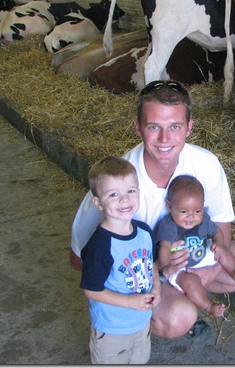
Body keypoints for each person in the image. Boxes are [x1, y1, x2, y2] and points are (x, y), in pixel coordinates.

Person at [70, 80, 235, 340]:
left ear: (189, 128)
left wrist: (207, 273)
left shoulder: (206, 164)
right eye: (154, 127)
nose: (164, 139)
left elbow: (221, 228)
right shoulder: (118, 183)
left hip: (195, 252)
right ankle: (140, 322)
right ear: (138, 128)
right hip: (145, 270)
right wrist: (152, 277)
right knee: (179, 317)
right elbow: (78, 259)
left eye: (174, 126)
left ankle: (186, 292)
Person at [80, 156, 160, 364]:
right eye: (113, 194)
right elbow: (91, 289)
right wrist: (130, 302)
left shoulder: (144, 232)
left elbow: (151, 264)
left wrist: (157, 287)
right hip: (112, 328)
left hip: (141, 322)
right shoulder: (101, 245)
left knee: (139, 359)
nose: (124, 200)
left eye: (130, 191)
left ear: (139, 193)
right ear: (98, 203)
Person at [156, 175, 235, 318]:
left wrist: (218, 244)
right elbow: (165, 247)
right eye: (184, 212)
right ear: (169, 206)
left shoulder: (204, 219)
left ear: (203, 205)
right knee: (190, 282)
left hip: (203, 253)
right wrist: (167, 265)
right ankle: (209, 306)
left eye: (197, 211)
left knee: (222, 250)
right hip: (182, 267)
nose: (191, 216)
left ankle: (234, 271)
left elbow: (217, 232)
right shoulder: (168, 225)